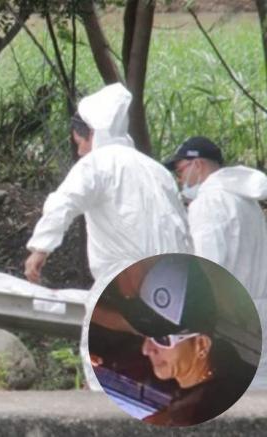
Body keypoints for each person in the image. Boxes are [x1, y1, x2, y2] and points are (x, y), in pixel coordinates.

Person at [24, 83, 192, 390]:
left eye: (80, 143)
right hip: (170, 282)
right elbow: (181, 226)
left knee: (105, 365)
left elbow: (64, 202)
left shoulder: (97, 164)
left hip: (122, 281)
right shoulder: (155, 170)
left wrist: (40, 249)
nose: (80, 151)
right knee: (163, 365)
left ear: (92, 133)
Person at [164, 136, 267, 390]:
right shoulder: (247, 202)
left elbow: (209, 266)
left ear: (197, 164)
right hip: (259, 307)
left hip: (231, 315)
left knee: (233, 393)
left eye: (180, 171)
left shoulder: (207, 203)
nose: (180, 180)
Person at [118, 255, 255, 426]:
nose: (146, 349)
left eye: (161, 339)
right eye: (145, 334)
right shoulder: (226, 362)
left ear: (201, 345)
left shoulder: (195, 415)